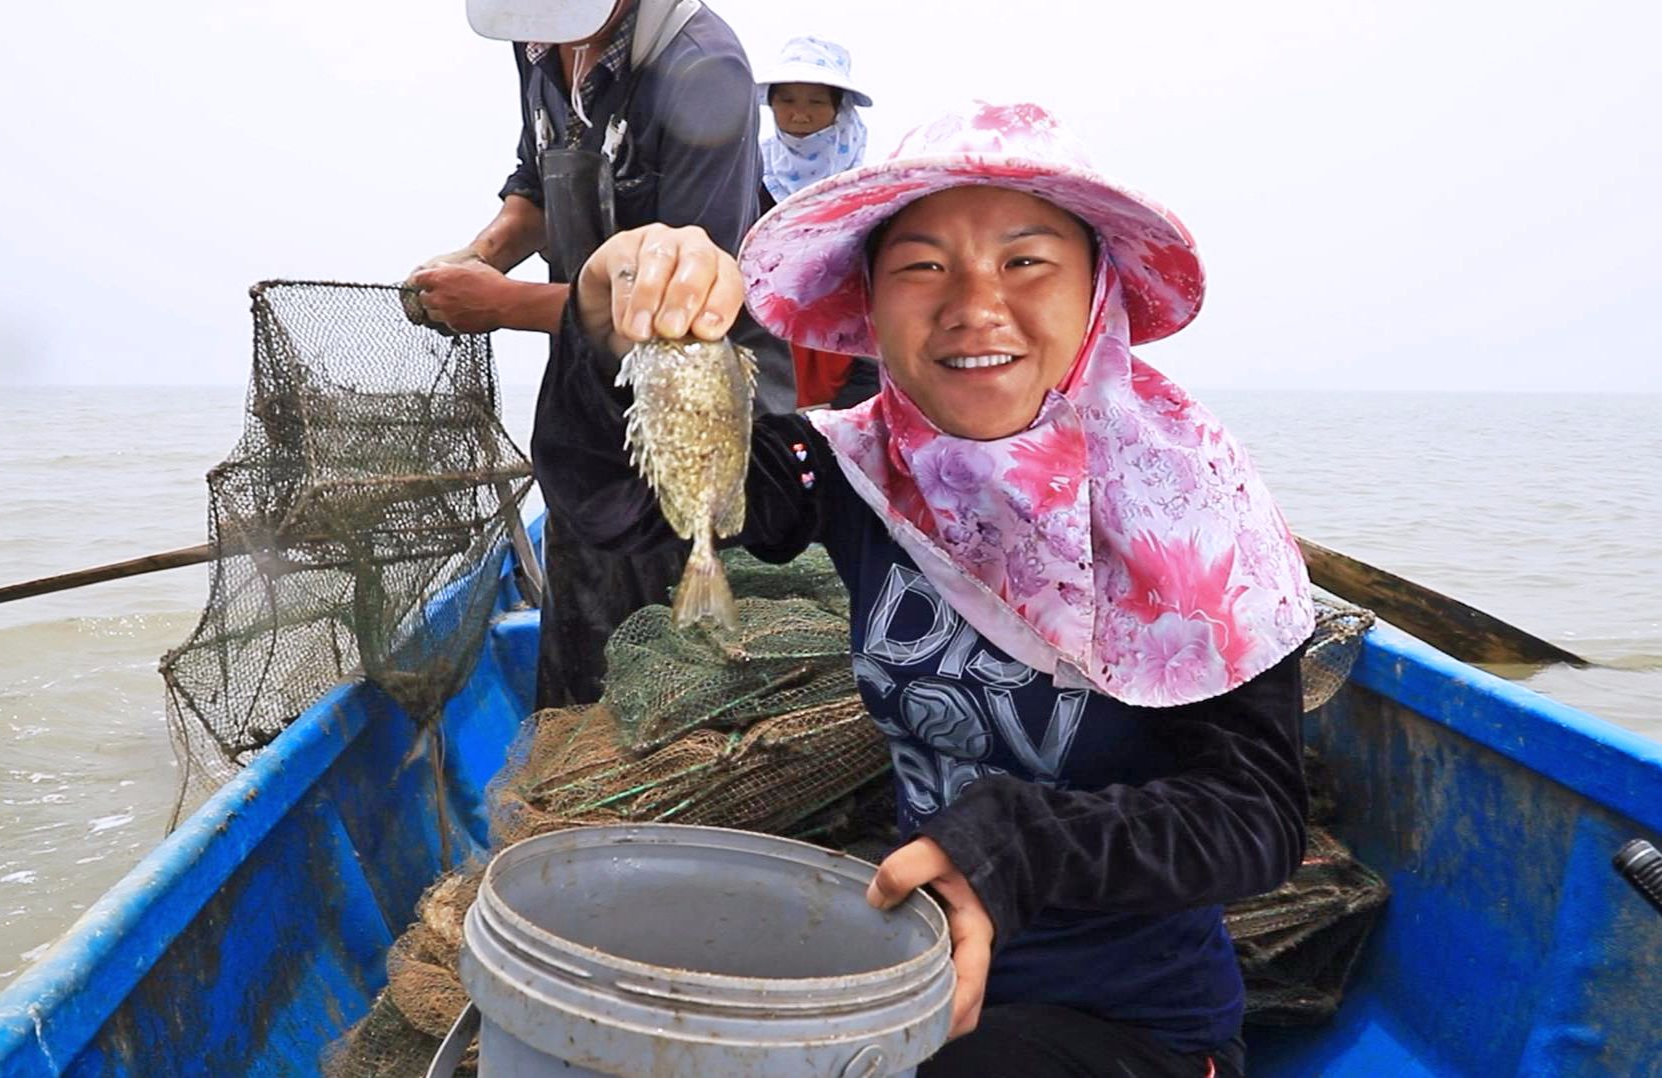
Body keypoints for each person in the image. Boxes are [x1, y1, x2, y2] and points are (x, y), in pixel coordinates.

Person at [539, 101, 1318, 1076]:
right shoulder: (857, 470)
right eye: (921, 265)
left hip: (1130, 1023)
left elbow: (1254, 819)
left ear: (1096, 291)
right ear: (870, 303)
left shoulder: (1201, 511)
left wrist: (1010, 843)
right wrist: (602, 307)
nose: (971, 303)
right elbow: (610, 502)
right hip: (907, 962)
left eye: (1025, 260)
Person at [403, 0, 796, 708]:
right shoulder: (536, 40)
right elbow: (537, 184)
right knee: (583, 631)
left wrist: (498, 306)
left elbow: (687, 309)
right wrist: (479, 257)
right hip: (587, 398)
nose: (540, 27)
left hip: (695, 399)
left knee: (678, 653)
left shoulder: (704, 68)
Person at [754, 34, 880, 408]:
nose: (800, 114)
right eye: (787, 100)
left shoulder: (867, 190)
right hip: (765, 367)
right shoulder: (749, 174)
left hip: (847, 371)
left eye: (816, 102)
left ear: (839, 109)